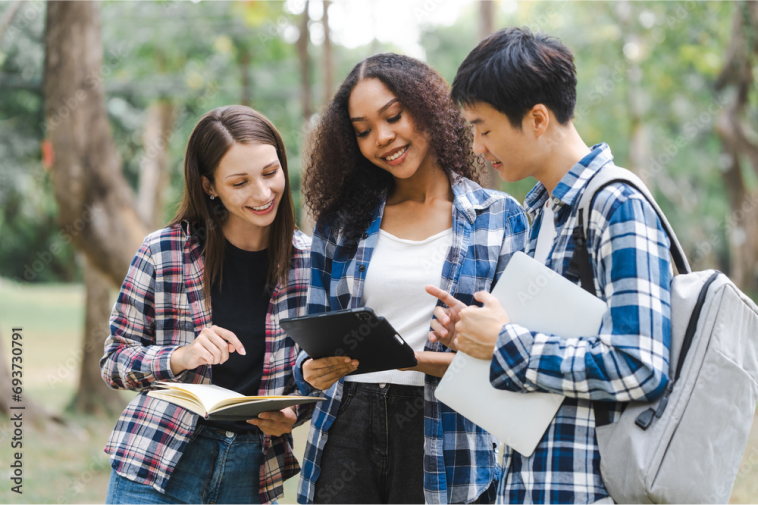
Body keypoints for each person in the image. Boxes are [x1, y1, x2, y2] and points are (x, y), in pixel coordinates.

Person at [428, 27, 673, 505]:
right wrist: (476, 338)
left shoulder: (614, 204)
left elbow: (641, 365)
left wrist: (504, 342)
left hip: (588, 490)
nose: (477, 146)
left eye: (483, 128)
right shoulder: (542, 214)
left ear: (537, 118)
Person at [293, 53, 529, 505]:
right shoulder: (340, 224)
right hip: (346, 429)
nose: (382, 138)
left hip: (447, 433)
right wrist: (309, 369)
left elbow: (511, 355)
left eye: (393, 116)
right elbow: (310, 340)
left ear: (428, 108)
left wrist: (413, 359)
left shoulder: (499, 219)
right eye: (362, 131)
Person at [100, 105, 313, 505]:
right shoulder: (163, 252)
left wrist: (292, 416)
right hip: (158, 458)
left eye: (270, 173)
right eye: (240, 182)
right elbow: (114, 364)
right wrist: (182, 356)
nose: (263, 193)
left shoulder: (310, 264)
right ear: (209, 186)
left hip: (251, 470)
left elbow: (317, 375)